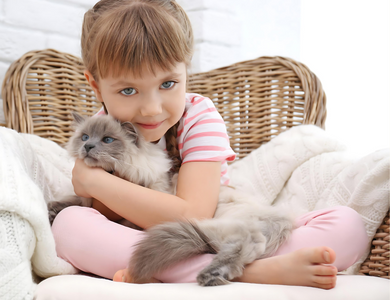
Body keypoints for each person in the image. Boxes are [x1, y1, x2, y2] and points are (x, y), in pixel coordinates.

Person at [51, 0, 368, 289]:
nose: (152, 108)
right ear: (96, 85)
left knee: (348, 225)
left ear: (186, 71)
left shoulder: (198, 115)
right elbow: (109, 216)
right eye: (128, 91)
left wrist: (92, 180)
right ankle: (248, 271)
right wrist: (99, 191)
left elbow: (194, 213)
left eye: (168, 83)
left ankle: (199, 266)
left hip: (217, 226)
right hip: (141, 237)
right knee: (69, 226)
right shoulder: (97, 131)